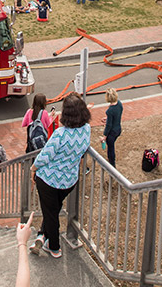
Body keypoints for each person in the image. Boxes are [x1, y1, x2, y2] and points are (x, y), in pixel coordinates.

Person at [30, 92, 91, 258]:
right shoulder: (86, 130)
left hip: (49, 181)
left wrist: (33, 169)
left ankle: (54, 247)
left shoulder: (60, 134)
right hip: (69, 181)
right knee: (53, 209)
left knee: (50, 213)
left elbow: (45, 156)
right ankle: (43, 235)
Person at [102, 89, 123, 167]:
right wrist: (108, 118)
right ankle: (111, 161)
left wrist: (104, 136)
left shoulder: (110, 111)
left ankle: (112, 164)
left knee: (110, 149)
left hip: (112, 132)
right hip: (118, 128)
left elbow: (108, 126)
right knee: (111, 147)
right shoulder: (119, 104)